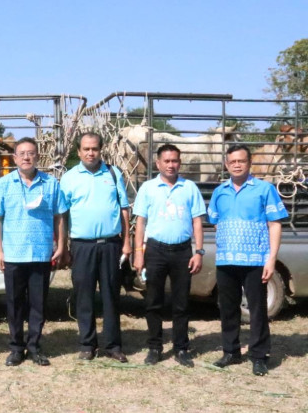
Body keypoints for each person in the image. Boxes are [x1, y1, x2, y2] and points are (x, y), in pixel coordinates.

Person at [208, 144, 287, 376]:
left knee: (257, 310)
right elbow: (215, 221)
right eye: (232, 161)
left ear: (249, 163)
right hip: (226, 261)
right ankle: (231, 351)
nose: (237, 165)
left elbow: (275, 224)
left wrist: (271, 259)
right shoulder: (219, 192)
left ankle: (259, 356)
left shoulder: (265, 189)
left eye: (241, 161)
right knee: (228, 308)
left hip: (255, 261)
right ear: (226, 164)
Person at [0, 138, 67, 367]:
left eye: (31, 153)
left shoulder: (51, 183)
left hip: (41, 253)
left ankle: (34, 347)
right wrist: (0, 250)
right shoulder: (4, 184)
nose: (26, 157)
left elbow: (59, 216)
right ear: (14, 158)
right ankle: (16, 348)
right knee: (14, 304)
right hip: (13, 253)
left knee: (38, 304)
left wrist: (61, 245)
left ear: (37, 157)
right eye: (22, 153)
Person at [60, 132, 132, 362]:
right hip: (82, 246)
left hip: (111, 245)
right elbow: (62, 215)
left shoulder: (113, 173)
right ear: (78, 151)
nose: (90, 153)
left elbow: (123, 208)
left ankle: (113, 346)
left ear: (101, 150)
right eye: (86, 149)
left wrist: (127, 242)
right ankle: (87, 345)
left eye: (94, 149)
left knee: (111, 296)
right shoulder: (69, 178)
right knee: (84, 297)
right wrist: (64, 247)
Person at [133, 144, 207, 367]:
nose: (171, 165)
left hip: (182, 251)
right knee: (153, 301)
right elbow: (140, 223)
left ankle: (181, 348)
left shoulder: (189, 188)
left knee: (181, 303)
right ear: (158, 163)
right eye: (166, 161)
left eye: (175, 161)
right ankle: (155, 347)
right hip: (155, 250)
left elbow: (197, 221)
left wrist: (199, 251)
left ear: (180, 163)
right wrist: (139, 253)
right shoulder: (148, 188)